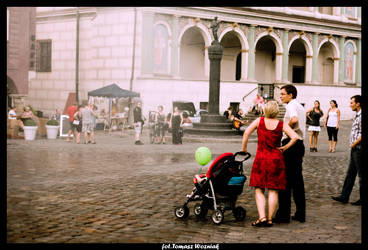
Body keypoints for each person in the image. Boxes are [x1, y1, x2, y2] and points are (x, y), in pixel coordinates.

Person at [241, 101, 299, 227]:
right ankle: (270, 219)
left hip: (261, 158)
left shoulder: (259, 121)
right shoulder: (281, 124)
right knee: (273, 190)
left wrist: (244, 149)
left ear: (265, 110)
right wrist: (284, 147)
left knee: (259, 189)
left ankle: (261, 217)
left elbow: (246, 133)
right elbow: (295, 137)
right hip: (276, 159)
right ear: (276, 111)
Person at [274, 84, 306, 223]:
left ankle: (283, 215)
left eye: (282, 94)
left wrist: (286, 130)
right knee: (297, 181)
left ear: (290, 95)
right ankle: (300, 213)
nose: (280, 96)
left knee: (285, 180)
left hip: (290, 145)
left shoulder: (291, 105)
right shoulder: (300, 106)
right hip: (299, 144)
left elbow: (294, 120)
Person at [332, 95, 362, 206]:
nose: (350, 105)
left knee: (360, 175)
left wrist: (354, 144)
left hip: (359, 149)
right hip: (355, 149)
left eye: (352, 103)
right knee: (350, 174)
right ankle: (344, 196)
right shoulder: (357, 115)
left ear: (358, 103)